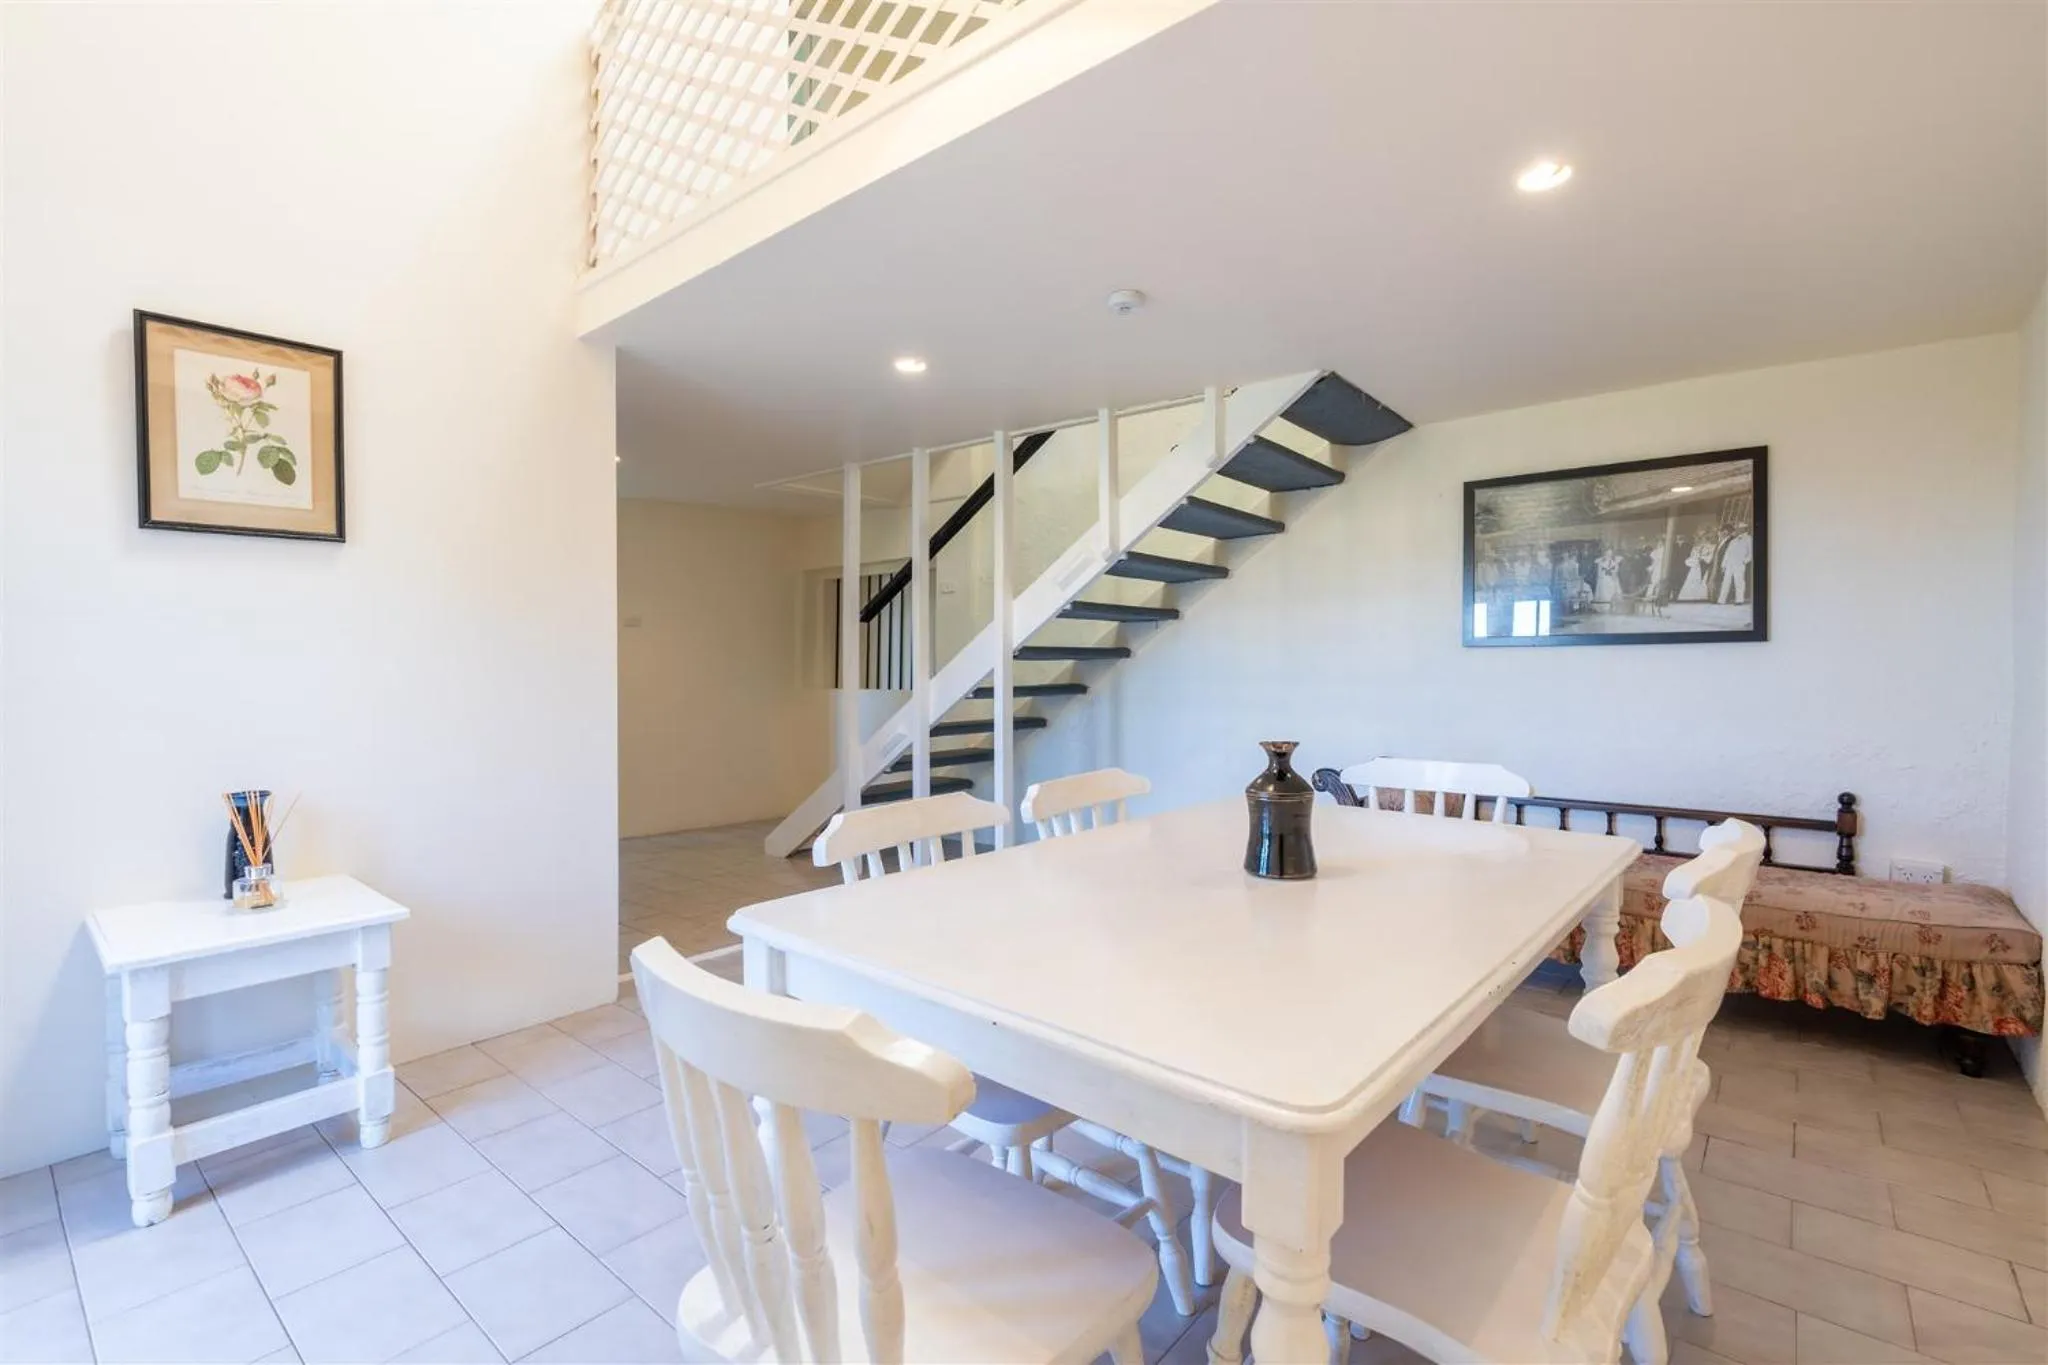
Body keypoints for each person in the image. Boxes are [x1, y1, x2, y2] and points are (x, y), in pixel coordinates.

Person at [1718, 522, 1754, 605]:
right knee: (1726, 581)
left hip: (1739, 563)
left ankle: (1739, 600)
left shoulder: (1749, 539)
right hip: (1729, 564)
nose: (1737, 530)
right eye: (1737, 529)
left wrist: (1744, 561)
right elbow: (1727, 553)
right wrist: (1723, 564)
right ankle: (1721, 600)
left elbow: (1751, 553)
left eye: (1739, 529)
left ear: (1744, 529)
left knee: (1739, 581)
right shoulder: (1733, 541)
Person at [1677, 536, 1711, 601]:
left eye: (1704, 537)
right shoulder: (1695, 548)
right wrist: (1696, 559)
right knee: (1691, 584)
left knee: (1702, 585)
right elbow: (1690, 560)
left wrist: (1702, 558)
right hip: (1695, 570)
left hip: (1704, 569)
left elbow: (1709, 559)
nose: (1702, 540)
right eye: (1700, 538)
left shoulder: (1710, 547)